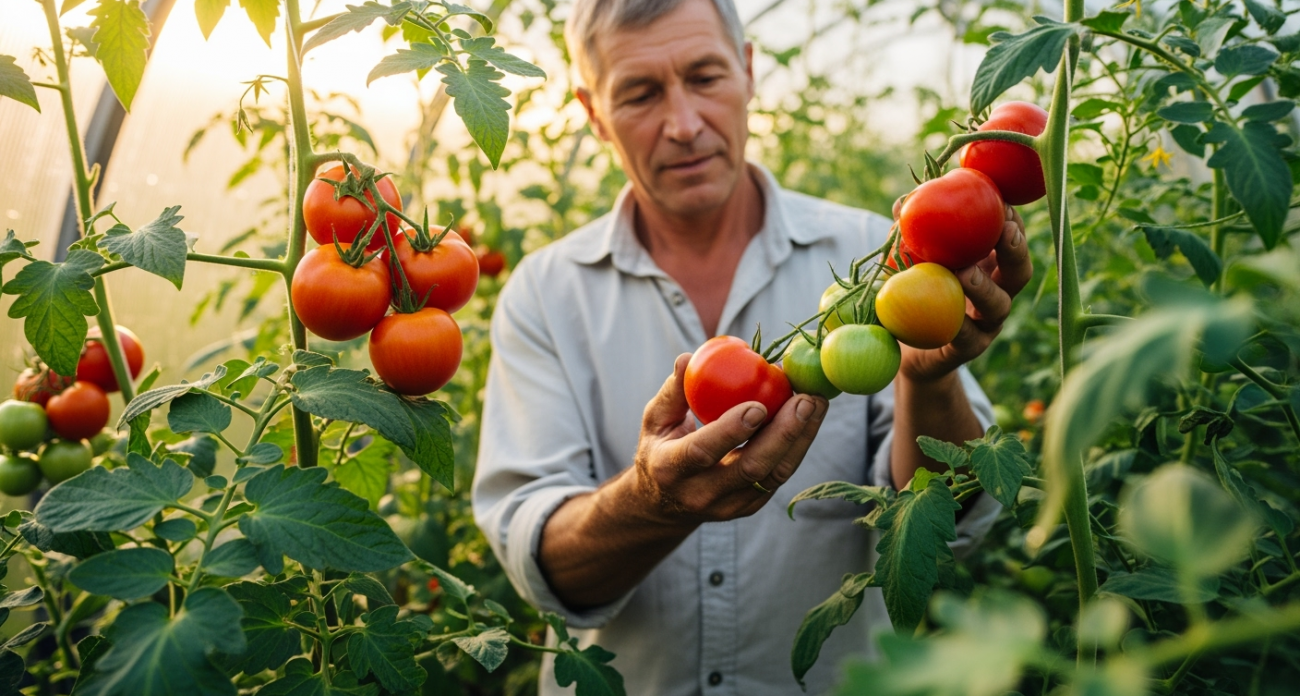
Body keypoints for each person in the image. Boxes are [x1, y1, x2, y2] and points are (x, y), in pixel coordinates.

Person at [471, 0, 1034, 693]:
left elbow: (953, 520)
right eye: (641, 93)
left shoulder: (883, 260)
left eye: (705, 77)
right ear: (594, 114)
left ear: (746, 71)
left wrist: (930, 378)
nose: (683, 125)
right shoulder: (546, 294)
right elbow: (542, 567)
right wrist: (655, 500)